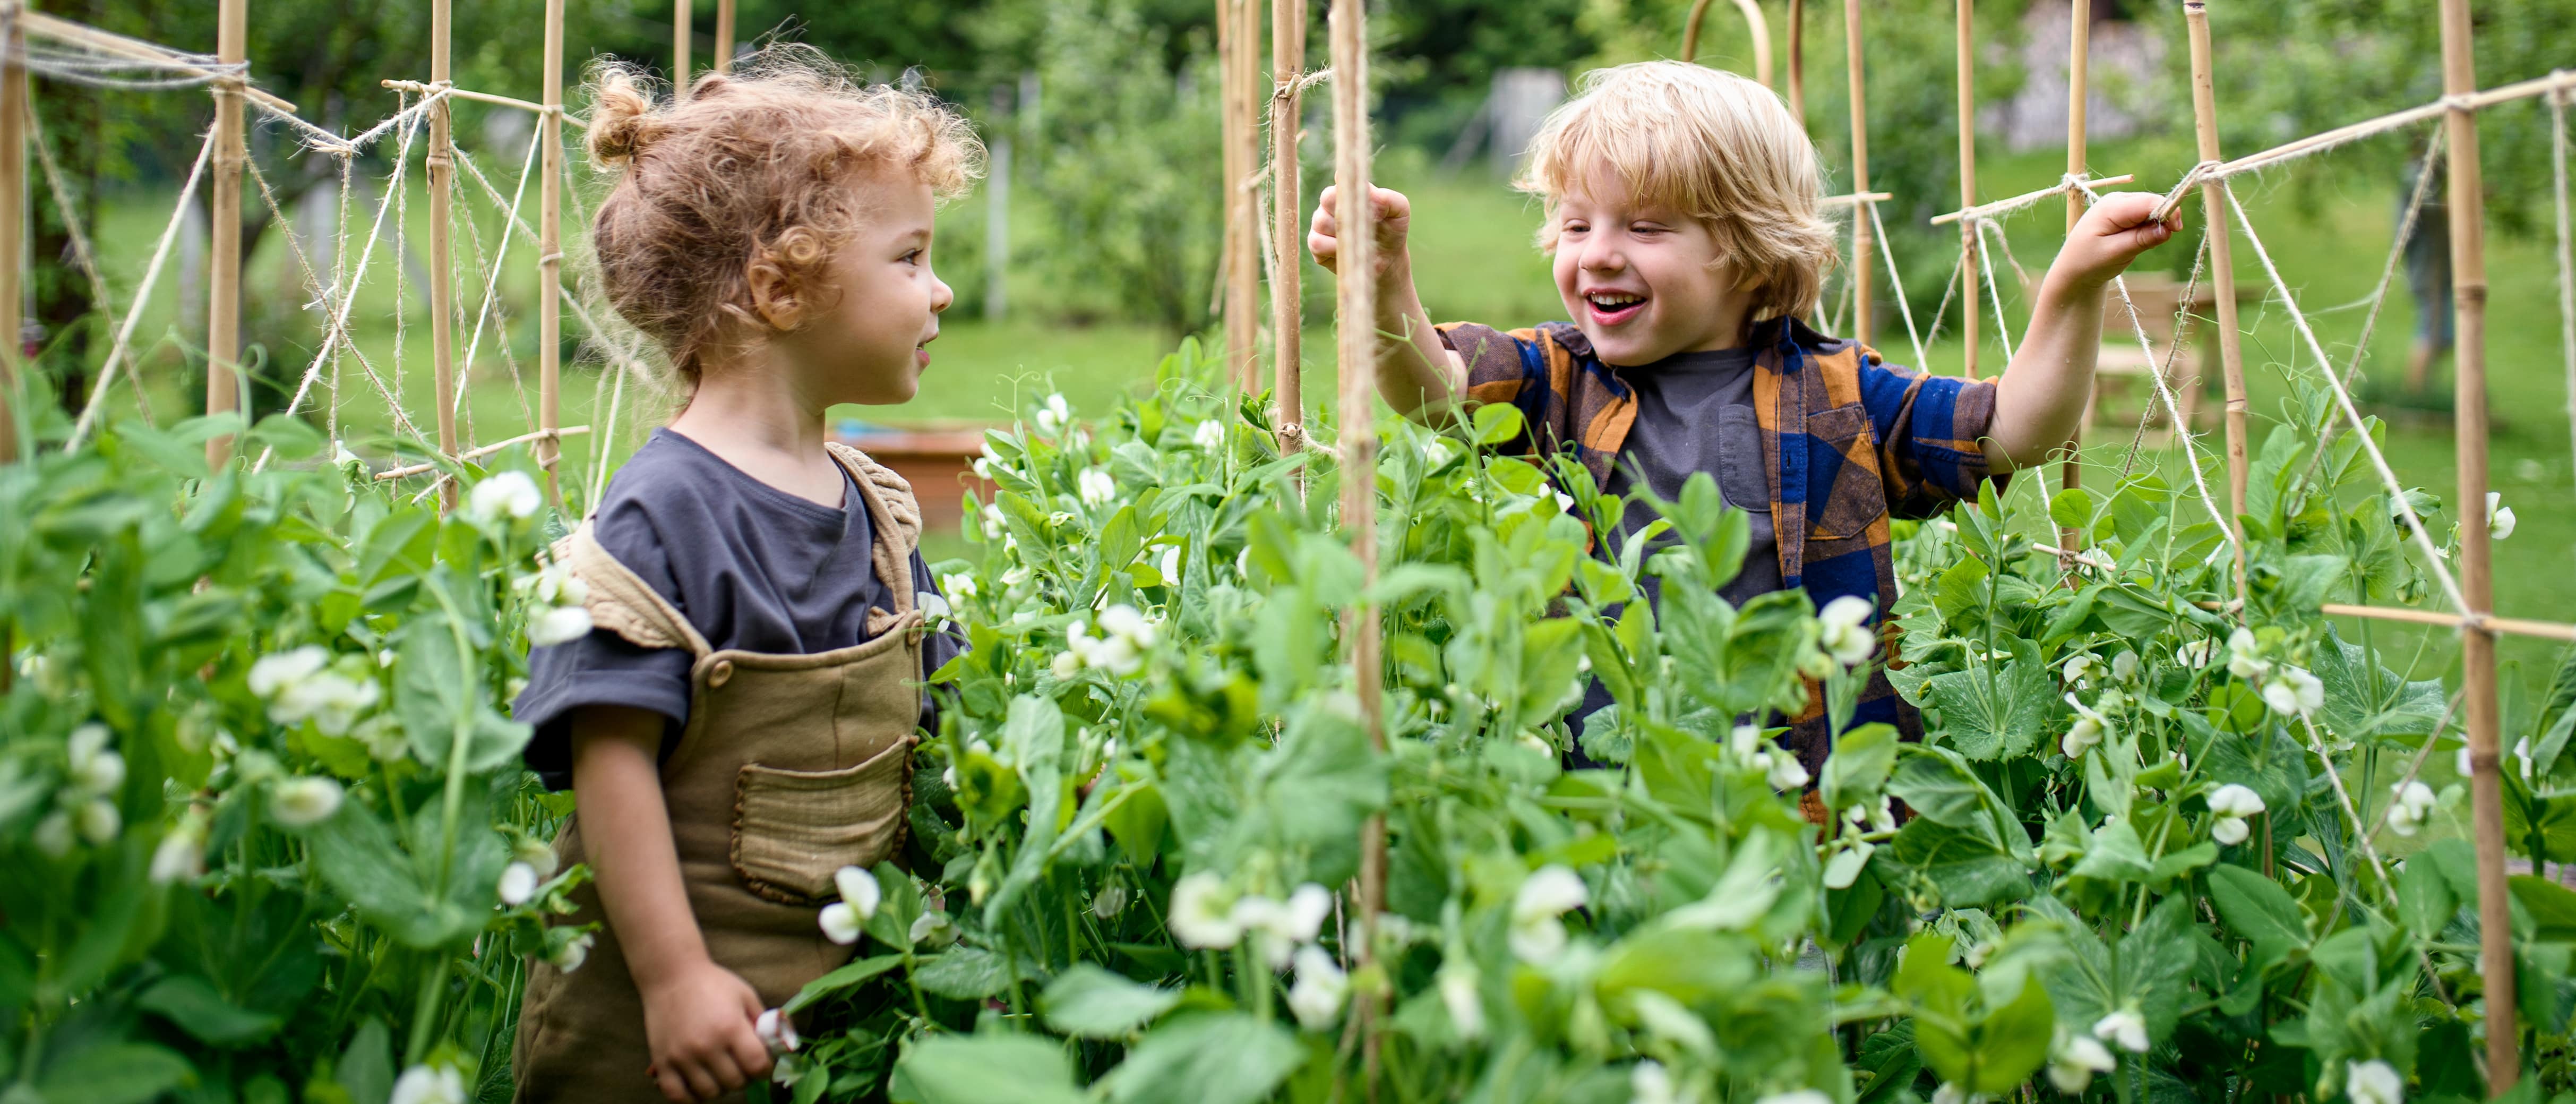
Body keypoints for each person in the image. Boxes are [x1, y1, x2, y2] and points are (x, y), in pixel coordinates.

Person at [1307, 61, 2178, 782]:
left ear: (1752, 252)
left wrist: (2071, 288)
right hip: (1607, 777)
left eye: (1646, 227)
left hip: (1807, 786)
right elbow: (1437, 390)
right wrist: (1384, 285)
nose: (1598, 251)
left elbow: (2008, 434)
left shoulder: (1837, 394)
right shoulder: (1557, 377)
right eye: (1576, 224)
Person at [508, 46, 977, 1104]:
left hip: (831, 1008)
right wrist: (673, 979)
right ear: (780, 285)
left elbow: (939, 706)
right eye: (908, 258)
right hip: (656, 1035)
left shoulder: (873, 504)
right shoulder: (668, 511)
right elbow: (609, 757)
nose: (940, 288)